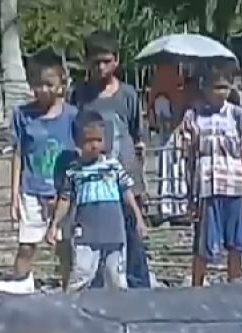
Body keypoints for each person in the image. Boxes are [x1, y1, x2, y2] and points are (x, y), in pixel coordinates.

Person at [69, 30, 151, 288]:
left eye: (106, 60)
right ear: (86, 61)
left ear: (117, 60)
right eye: (95, 61)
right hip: (93, 183)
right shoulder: (79, 95)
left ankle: (139, 289)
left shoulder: (127, 94)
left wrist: (139, 180)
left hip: (124, 176)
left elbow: (138, 138)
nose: (101, 66)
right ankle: (96, 290)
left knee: (132, 238)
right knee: (93, 238)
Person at [45, 112, 147, 292]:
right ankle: (72, 310)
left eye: (98, 140)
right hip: (86, 233)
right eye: (88, 141)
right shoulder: (74, 172)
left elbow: (128, 193)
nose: (94, 145)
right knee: (82, 274)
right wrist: (54, 225)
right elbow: (65, 199)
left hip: (114, 232)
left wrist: (139, 219)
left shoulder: (113, 166)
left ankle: (118, 315)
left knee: (116, 277)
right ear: (77, 142)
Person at [181, 63, 242, 286]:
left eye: (224, 87)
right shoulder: (193, 116)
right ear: (205, 88)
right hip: (206, 186)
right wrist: (190, 196)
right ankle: (197, 288)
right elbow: (189, 158)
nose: (221, 92)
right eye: (216, 87)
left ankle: (234, 285)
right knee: (204, 245)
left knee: (236, 244)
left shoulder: (238, 116)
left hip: (234, 185)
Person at [9, 51, 77, 282]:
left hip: (62, 194)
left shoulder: (73, 116)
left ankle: (69, 294)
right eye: (37, 84)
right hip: (31, 190)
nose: (43, 90)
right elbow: (19, 155)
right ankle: (19, 288)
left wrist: (67, 193)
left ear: (61, 83)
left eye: (49, 84)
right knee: (26, 246)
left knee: (64, 247)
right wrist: (14, 196)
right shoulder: (23, 115)